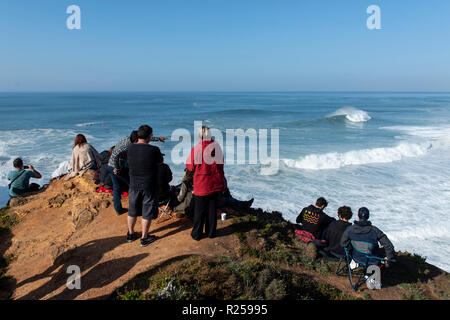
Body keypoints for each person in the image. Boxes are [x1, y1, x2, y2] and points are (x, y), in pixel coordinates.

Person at [108, 131, 166, 215]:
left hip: (111, 165)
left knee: (116, 187)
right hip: (116, 167)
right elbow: (116, 155)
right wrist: (117, 168)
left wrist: (158, 139)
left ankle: (118, 209)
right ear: (135, 140)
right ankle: (137, 209)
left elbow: (144, 138)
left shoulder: (129, 138)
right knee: (133, 185)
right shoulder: (126, 146)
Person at [126, 125, 163, 247]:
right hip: (149, 184)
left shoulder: (130, 148)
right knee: (147, 211)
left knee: (132, 210)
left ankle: (130, 234)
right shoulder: (154, 150)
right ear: (149, 136)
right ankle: (144, 238)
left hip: (133, 184)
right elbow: (160, 163)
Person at [186, 126, 225, 240]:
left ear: (200, 135)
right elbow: (221, 164)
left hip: (202, 183)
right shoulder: (216, 147)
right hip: (215, 183)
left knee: (199, 210)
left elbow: (190, 166)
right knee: (212, 209)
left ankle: (197, 234)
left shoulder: (197, 148)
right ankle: (211, 232)